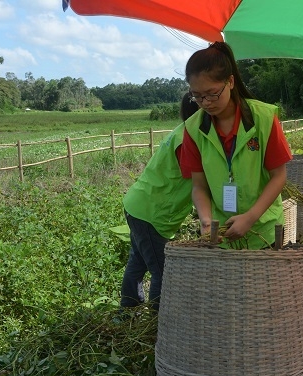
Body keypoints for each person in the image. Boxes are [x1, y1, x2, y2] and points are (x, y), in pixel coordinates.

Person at [180, 41, 292, 249]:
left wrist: (250, 218)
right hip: (222, 234)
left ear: (230, 82)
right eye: (197, 96)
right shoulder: (193, 128)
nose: (206, 102)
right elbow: (198, 185)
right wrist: (206, 221)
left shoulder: (263, 118)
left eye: (212, 93)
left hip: (263, 230)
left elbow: (279, 176)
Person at [120, 93, 199, 311]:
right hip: (151, 214)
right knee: (162, 271)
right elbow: (199, 181)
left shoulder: (182, 132)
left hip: (139, 205)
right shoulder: (188, 141)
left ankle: (127, 311)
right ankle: (158, 320)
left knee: (138, 262)